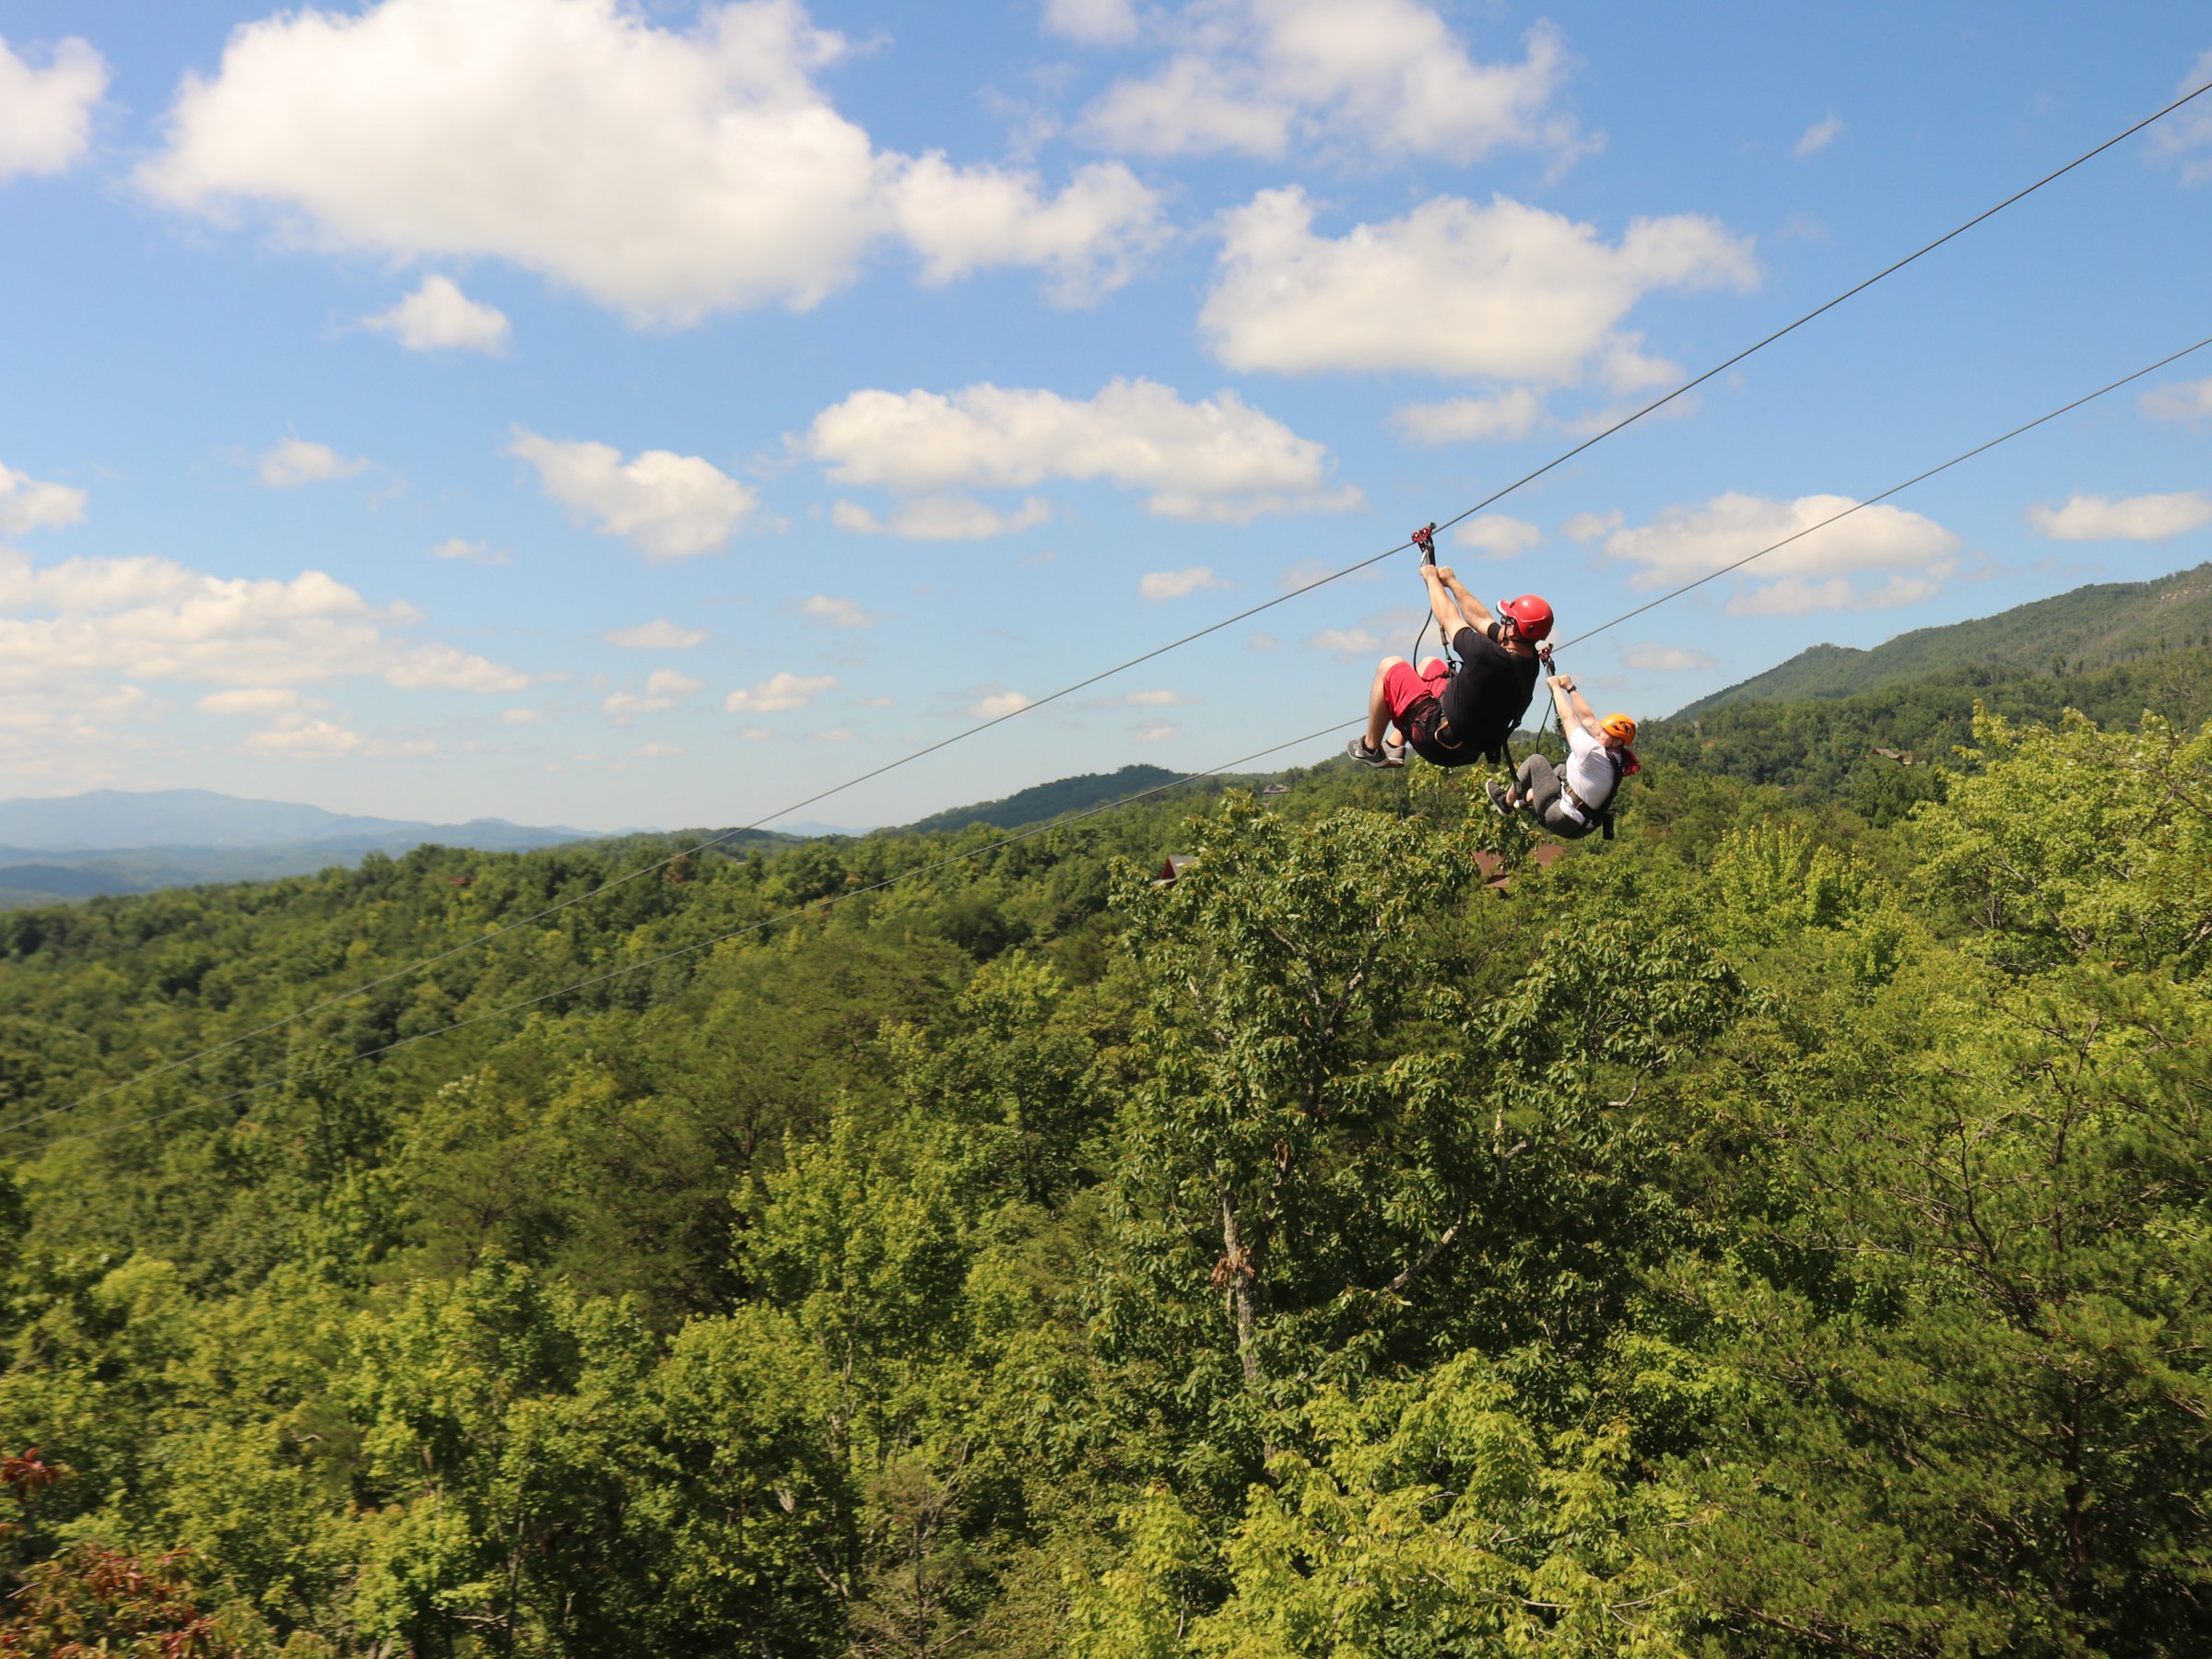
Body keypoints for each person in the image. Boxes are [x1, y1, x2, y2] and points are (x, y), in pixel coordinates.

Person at [1347, 562, 1551, 770]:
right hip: (1468, 748)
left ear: (1514, 631)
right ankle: (1394, 745)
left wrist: (1430, 578)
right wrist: (1452, 582)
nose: (1502, 623)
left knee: (1389, 666)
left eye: (1506, 620)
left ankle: (1370, 748)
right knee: (1429, 665)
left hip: (1437, 740)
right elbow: (1482, 619)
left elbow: (1447, 616)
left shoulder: (1485, 655)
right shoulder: (1529, 661)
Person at [1487, 673, 1638, 839]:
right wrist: (1571, 688)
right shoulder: (1615, 756)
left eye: (1604, 732)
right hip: (1581, 825)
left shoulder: (1594, 754)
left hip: (1561, 818)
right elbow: (1588, 719)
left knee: (1537, 762)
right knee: (1561, 769)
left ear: (1616, 742)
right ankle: (1522, 801)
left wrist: (1556, 687)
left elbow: (1567, 718)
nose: (1599, 732)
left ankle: (1505, 802)